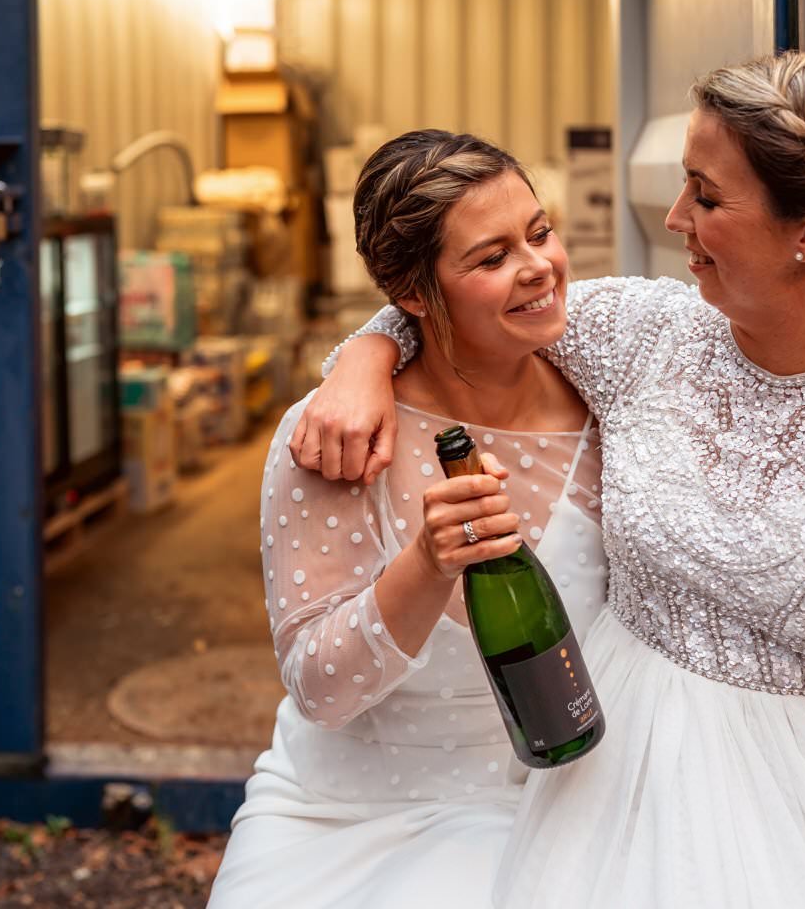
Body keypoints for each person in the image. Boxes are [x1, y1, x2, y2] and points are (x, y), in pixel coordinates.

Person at [290, 49, 805, 908]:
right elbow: (462, 305)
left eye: (707, 197)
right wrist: (365, 356)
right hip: (608, 793)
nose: (676, 216)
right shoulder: (643, 333)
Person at [206, 130, 611, 909]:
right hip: (346, 816)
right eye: (491, 259)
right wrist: (426, 566)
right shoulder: (338, 436)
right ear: (412, 292)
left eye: (540, 233)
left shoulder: (608, 407)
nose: (538, 267)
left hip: (562, 798)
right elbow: (319, 689)